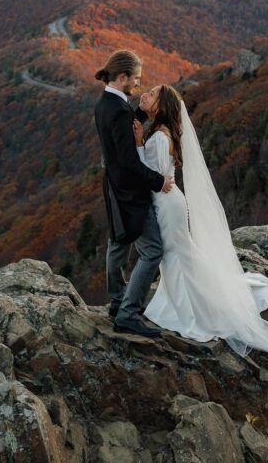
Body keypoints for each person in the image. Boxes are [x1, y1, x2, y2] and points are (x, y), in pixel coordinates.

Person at [135, 83, 268, 366]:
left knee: (175, 255)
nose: (145, 94)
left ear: (161, 105)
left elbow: (151, 174)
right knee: (179, 254)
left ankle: (191, 309)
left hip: (167, 203)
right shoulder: (165, 132)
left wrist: (137, 145)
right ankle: (193, 299)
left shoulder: (159, 137)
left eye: (152, 93)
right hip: (171, 201)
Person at [93, 50, 175, 337]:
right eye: (136, 79)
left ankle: (117, 302)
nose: (139, 84)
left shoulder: (106, 102)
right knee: (152, 251)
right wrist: (157, 181)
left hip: (114, 186)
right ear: (122, 76)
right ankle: (128, 314)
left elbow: (122, 131)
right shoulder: (117, 109)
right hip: (131, 191)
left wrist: (139, 112)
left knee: (118, 240)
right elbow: (129, 160)